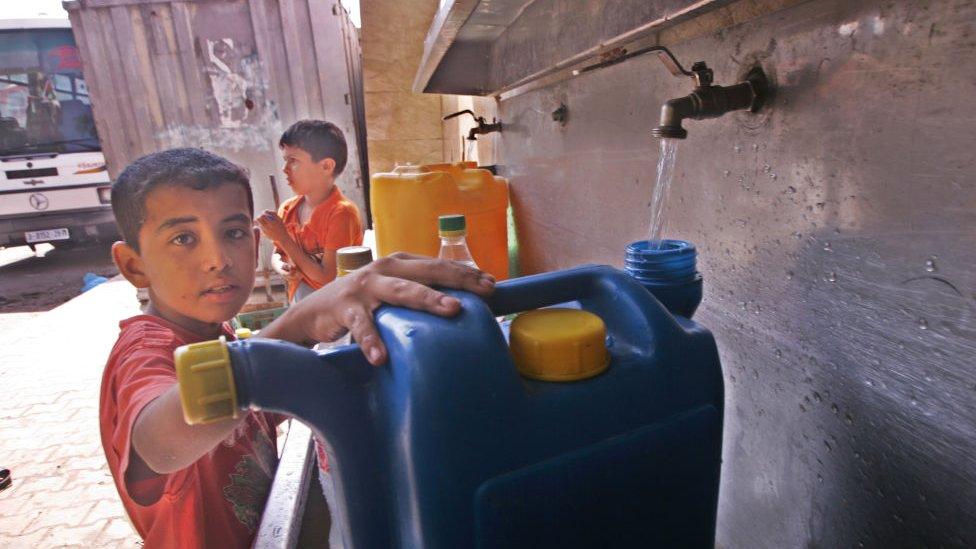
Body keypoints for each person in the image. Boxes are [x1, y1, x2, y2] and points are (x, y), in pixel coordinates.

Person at [100, 148, 495, 548]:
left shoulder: (217, 334)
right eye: (183, 238)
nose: (217, 259)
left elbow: (266, 409)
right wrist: (297, 322)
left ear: (255, 243)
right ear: (134, 266)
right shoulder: (145, 349)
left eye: (233, 233)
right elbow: (159, 445)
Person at [257, 120, 363, 304]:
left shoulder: (342, 213)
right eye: (285, 160)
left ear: (326, 166)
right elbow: (278, 253)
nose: (285, 169)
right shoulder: (288, 209)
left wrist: (283, 237)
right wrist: (284, 268)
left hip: (334, 309)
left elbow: (327, 276)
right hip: (300, 303)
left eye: (294, 161)